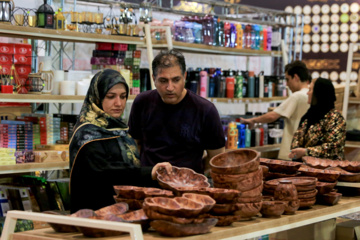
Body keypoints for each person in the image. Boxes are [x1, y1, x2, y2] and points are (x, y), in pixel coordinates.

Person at [69, 69, 171, 213]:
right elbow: (106, 175)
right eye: (111, 96)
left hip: (121, 213)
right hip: (94, 217)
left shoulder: (120, 130)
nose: (119, 103)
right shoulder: (86, 135)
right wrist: (148, 173)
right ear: (97, 97)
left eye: (123, 97)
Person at [128, 49, 225, 175]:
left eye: (176, 80)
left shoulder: (205, 110)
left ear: (184, 77)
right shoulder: (142, 102)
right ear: (154, 79)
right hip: (149, 183)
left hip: (188, 188)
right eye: (163, 81)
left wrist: (194, 177)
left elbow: (217, 159)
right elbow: (134, 147)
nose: (170, 88)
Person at [239, 61, 310, 160]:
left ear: (296, 77)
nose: (287, 84)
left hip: (291, 152)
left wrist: (253, 120)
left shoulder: (297, 96)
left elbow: (273, 116)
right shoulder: (312, 94)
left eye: (288, 79)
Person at [289, 77, 346, 160]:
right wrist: (295, 151)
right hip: (304, 167)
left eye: (310, 90)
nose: (307, 93)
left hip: (327, 169)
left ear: (319, 93)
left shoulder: (335, 118)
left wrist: (306, 151)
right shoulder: (307, 116)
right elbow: (297, 138)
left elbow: (334, 147)